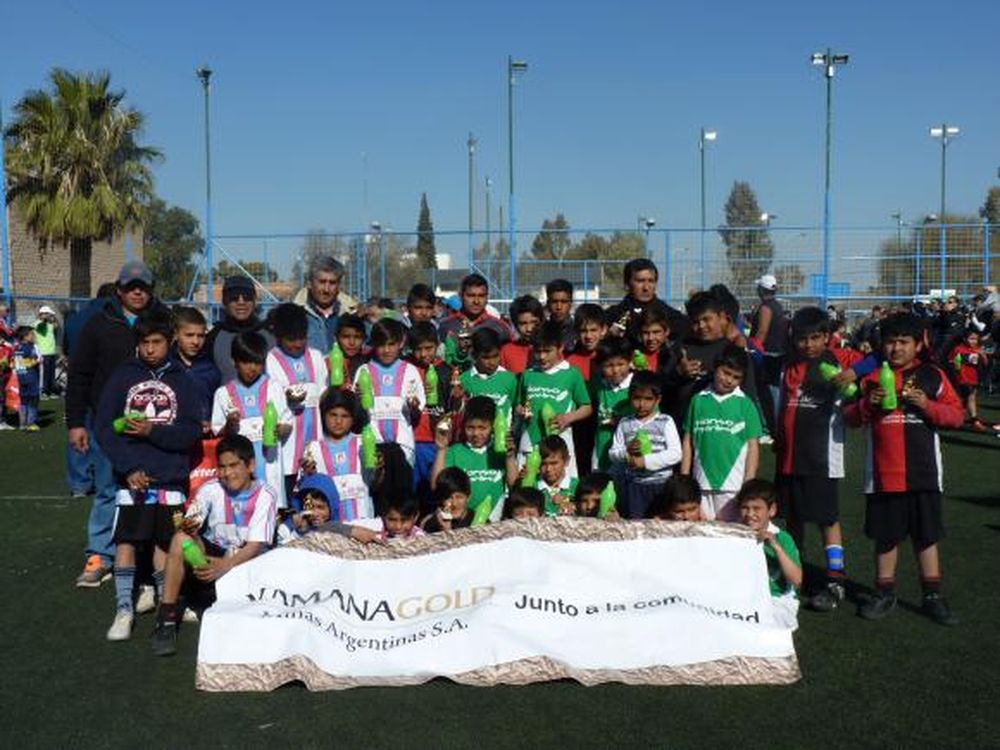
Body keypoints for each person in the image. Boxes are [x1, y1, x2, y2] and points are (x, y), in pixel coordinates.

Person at [845, 313, 964, 626]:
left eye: (903, 342)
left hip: (923, 473)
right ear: (881, 345)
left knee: (926, 537)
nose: (896, 348)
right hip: (884, 476)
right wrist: (867, 404)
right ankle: (884, 592)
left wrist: (926, 405)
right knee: (886, 537)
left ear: (917, 343)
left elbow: (956, 417)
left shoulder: (932, 375)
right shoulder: (871, 378)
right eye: (890, 342)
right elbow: (851, 419)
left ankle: (932, 595)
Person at [95, 309, 202, 641]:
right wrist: (128, 468)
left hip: (169, 479)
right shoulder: (123, 376)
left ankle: (163, 602)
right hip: (132, 478)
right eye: (145, 343)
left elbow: (189, 433)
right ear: (137, 344)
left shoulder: (183, 381)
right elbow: (104, 428)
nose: (151, 349)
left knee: (165, 543)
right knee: (127, 540)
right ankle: (124, 609)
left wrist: (151, 432)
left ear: (169, 342)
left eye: (157, 342)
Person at [67, 259, 169, 587]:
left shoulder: (163, 320)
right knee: (109, 489)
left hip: (153, 420)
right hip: (108, 423)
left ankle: (149, 556)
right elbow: (80, 375)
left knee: (153, 487)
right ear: (119, 289)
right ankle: (99, 554)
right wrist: (76, 423)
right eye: (130, 286)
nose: (137, 292)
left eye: (143, 287)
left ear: (151, 290)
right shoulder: (100, 323)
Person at [151, 435, 278, 656]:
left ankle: (205, 602)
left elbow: (255, 546)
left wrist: (224, 565)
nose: (227, 473)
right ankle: (167, 618)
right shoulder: (211, 489)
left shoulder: (266, 495)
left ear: (250, 465)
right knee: (180, 539)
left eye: (233, 466)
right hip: (216, 557)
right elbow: (191, 525)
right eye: (221, 467)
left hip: (247, 562)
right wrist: (188, 526)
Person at [776, 307, 861, 612]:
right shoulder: (788, 363)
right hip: (788, 457)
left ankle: (835, 579)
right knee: (793, 518)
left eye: (815, 338)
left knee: (827, 519)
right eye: (802, 339)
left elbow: (879, 358)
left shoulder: (840, 359)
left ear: (827, 337)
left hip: (822, 458)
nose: (809, 344)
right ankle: (792, 575)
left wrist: (855, 373)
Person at [681, 345, 761, 521]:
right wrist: (685, 478)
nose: (729, 380)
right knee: (701, 535)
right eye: (726, 373)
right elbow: (688, 441)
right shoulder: (698, 400)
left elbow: (753, 447)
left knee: (730, 536)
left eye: (736, 377)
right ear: (715, 368)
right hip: (700, 484)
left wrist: (748, 482)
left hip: (733, 487)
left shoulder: (746, 404)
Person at [211, 332, 292, 503]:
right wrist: (230, 424)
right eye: (246, 362)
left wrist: (279, 429)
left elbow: (288, 424)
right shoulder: (223, 394)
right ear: (234, 361)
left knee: (272, 515)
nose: (252, 368)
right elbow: (218, 432)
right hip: (239, 475)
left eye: (257, 362)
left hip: (270, 469)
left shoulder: (274, 387)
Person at [665, 290, 755, 429]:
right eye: (696, 321)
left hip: (721, 430)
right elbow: (663, 386)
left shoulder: (733, 350)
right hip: (683, 429)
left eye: (706, 319)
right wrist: (679, 373)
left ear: (720, 316)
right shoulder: (681, 348)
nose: (701, 326)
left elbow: (748, 394)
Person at [265, 303, 328, 499]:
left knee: (315, 490)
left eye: (302, 337)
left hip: (315, 437)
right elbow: (269, 399)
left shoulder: (316, 357)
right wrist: (287, 399)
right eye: (291, 339)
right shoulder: (270, 360)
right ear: (278, 337)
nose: (298, 344)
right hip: (287, 445)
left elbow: (324, 392)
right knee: (290, 492)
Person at [517, 320, 593, 476]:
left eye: (547, 351)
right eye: (538, 351)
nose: (542, 356)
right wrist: (521, 411)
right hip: (530, 442)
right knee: (526, 491)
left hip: (561, 445)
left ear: (560, 348)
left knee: (562, 491)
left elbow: (587, 407)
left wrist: (567, 417)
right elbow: (518, 404)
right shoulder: (528, 374)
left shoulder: (572, 374)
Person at [432, 395, 518, 523]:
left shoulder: (500, 452)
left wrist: (510, 458)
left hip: (493, 523)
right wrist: (441, 450)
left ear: (493, 426)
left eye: (482, 428)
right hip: (460, 523)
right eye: (470, 428)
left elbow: (515, 488)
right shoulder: (454, 452)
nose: (476, 434)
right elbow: (436, 487)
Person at [608, 371, 682, 518]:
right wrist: (626, 452)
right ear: (630, 397)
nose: (642, 404)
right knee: (637, 527)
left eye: (648, 399)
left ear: (658, 400)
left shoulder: (665, 421)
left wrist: (645, 462)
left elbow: (676, 454)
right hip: (635, 486)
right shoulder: (625, 422)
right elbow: (613, 454)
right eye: (637, 398)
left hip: (662, 486)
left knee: (662, 527)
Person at [353, 319, 425, 467]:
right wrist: (357, 401)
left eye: (391, 344)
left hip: (404, 445)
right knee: (376, 488)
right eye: (381, 345)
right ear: (373, 344)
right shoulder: (364, 371)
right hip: (373, 444)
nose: (386, 350)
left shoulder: (410, 371)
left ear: (401, 343)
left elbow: (417, 412)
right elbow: (358, 413)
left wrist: (414, 407)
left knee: (401, 488)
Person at [300, 388, 379, 521]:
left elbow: (375, 484)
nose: (338, 421)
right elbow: (306, 495)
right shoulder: (312, 448)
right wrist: (309, 476)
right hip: (331, 529)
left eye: (344, 416)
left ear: (353, 419)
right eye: (333, 415)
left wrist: (379, 469)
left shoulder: (363, 443)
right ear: (324, 416)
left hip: (364, 523)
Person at [737, 479, 802, 630]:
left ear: (771, 510)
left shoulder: (781, 537)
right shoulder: (735, 534)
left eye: (756, 508)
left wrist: (775, 547)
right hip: (744, 597)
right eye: (745, 508)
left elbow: (797, 580)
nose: (750, 514)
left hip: (776, 599)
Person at [407, 322, 451, 507]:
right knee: (413, 493)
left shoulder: (447, 371)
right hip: (413, 440)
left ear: (437, 345)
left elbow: (453, 408)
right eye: (418, 349)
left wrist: (457, 398)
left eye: (429, 348)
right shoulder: (406, 369)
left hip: (437, 442)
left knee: (438, 491)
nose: (424, 354)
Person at [203, 275, 276, 384]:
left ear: (255, 301)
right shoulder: (212, 338)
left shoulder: (271, 335)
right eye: (234, 297)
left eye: (247, 297)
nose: (241, 302)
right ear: (224, 302)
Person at [605, 258, 688, 347]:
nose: (646, 287)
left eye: (651, 281)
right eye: (640, 281)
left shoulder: (670, 315)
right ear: (627, 284)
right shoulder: (612, 316)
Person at [439, 274, 512, 367]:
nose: (476, 301)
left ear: (487, 297)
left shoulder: (500, 327)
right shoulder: (445, 326)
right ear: (461, 296)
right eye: (471, 296)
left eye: (481, 296)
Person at [293, 256, 357, 353]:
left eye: (332, 283)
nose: (326, 289)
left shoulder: (352, 314)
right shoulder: (295, 315)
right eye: (322, 282)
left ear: (339, 285)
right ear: (310, 283)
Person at [591, 336, 634, 473]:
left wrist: (620, 421)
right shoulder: (599, 386)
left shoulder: (638, 386)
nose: (615, 371)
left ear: (630, 361)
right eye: (609, 366)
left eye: (620, 364)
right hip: (601, 452)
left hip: (629, 455)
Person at [170, 306, 220, 423]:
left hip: (203, 434)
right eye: (189, 335)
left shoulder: (210, 368)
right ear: (176, 334)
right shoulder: (166, 364)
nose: (195, 342)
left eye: (201, 336)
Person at [459, 328, 518, 422]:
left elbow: (516, 409)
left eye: (495, 356)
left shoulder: (509, 379)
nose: (492, 362)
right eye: (486, 358)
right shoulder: (464, 379)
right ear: (474, 355)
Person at [947, 328, 989, 431]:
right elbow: (955, 363)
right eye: (971, 338)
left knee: (968, 399)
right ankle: (974, 420)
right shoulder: (959, 349)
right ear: (965, 339)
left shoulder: (977, 349)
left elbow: (985, 364)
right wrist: (958, 373)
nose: (974, 341)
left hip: (973, 378)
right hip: (963, 379)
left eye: (975, 339)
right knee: (968, 398)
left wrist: (983, 355)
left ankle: (962, 420)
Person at [534, 435, 578, 516]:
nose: (548, 469)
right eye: (543, 464)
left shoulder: (578, 487)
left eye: (553, 463)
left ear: (566, 461)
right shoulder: (532, 486)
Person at [500, 295, 543, 375]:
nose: (529, 329)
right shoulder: (506, 351)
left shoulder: (553, 349)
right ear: (515, 325)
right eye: (523, 324)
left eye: (534, 322)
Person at [565, 304, 608, 384]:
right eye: (583, 331)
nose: (588, 336)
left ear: (604, 330)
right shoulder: (569, 363)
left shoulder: (613, 359)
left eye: (593, 330)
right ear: (577, 332)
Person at [422, 467, 473, 533]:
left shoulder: (479, 523)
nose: (454, 503)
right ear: (441, 498)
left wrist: (448, 531)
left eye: (459, 497)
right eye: (449, 498)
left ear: (468, 497)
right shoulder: (431, 524)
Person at [13, 326, 41, 430]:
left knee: (24, 401)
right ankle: (31, 423)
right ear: (25, 337)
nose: (34, 336)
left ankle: (22, 423)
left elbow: (16, 363)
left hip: (21, 378)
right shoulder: (29, 348)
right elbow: (27, 363)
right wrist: (37, 361)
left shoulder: (17, 348)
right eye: (31, 334)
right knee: (33, 400)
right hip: (31, 377)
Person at [34, 305, 61, 397]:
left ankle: (51, 390)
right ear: (42, 314)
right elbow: (41, 328)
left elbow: (57, 326)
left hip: (51, 352)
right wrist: (45, 317)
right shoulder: (37, 324)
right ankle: (44, 391)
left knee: (51, 373)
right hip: (43, 353)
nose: (49, 316)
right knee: (44, 374)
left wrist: (54, 317)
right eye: (47, 314)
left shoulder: (49, 325)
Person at [334, 313, 368, 384]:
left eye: (357, 337)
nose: (352, 343)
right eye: (346, 337)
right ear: (336, 338)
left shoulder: (369, 362)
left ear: (364, 339)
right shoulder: (327, 363)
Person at [545, 279, 576, 349]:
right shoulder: (541, 332)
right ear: (548, 304)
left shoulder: (579, 331)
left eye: (564, 302)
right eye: (554, 302)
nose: (559, 307)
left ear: (570, 304)